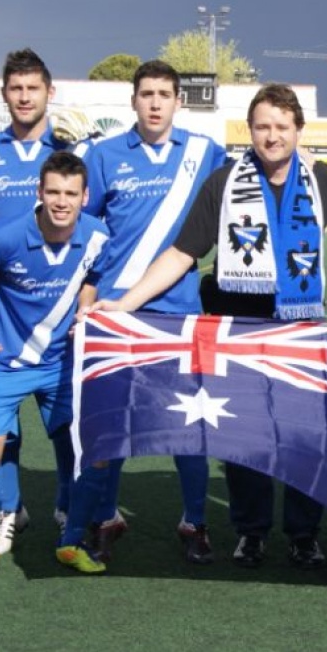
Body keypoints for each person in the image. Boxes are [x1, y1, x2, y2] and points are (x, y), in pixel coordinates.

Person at [90, 83, 327, 570]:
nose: (271, 137)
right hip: (239, 329)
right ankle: (251, 532)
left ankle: (303, 534)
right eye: (262, 127)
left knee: (302, 436)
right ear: (249, 130)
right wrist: (126, 304)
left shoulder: (326, 182)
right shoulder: (225, 182)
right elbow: (182, 252)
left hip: (301, 330)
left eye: (281, 127)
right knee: (246, 438)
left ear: (299, 131)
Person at [79, 60, 229, 564]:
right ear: (133, 101)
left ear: (179, 101)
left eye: (165, 93)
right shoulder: (103, 156)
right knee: (112, 423)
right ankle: (106, 517)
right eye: (147, 94)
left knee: (189, 426)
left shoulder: (206, 153)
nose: (156, 102)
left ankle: (195, 522)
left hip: (181, 311)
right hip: (116, 315)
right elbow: (86, 233)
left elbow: (243, 197)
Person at [0, 150, 113, 580]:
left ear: (85, 197)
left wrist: (84, 308)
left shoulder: (98, 235)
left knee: (87, 451)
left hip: (61, 362)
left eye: (71, 193)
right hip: (1, 361)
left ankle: (71, 539)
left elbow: (93, 277)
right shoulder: (4, 238)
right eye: (54, 192)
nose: (62, 202)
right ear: (40, 193)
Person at [0, 48, 76, 553]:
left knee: (66, 427)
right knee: (0, 430)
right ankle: (10, 509)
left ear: (50, 93)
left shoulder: (74, 149)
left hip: (58, 311)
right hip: (0, 316)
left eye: (33, 88)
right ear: (5, 94)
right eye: (15, 88)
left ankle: (69, 507)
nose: (24, 97)